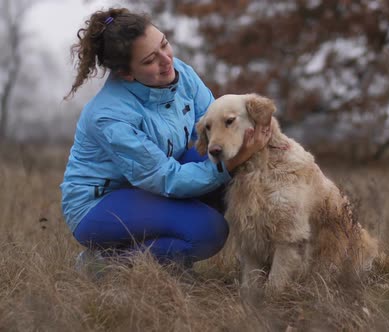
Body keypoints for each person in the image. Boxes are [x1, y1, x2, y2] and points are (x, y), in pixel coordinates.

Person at [61, 7, 270, 270]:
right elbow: (165, 178)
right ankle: (104, 263)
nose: (166, 60)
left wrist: (247, 144)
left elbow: (211, 130)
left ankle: (175, 259)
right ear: (126, 73)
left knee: (224, 165)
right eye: (150, 60)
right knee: (209, 231)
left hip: (148, 185)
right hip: (99, 203)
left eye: (164, 44)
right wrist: (231, 162)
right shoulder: (109, 116)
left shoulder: (181, 74)